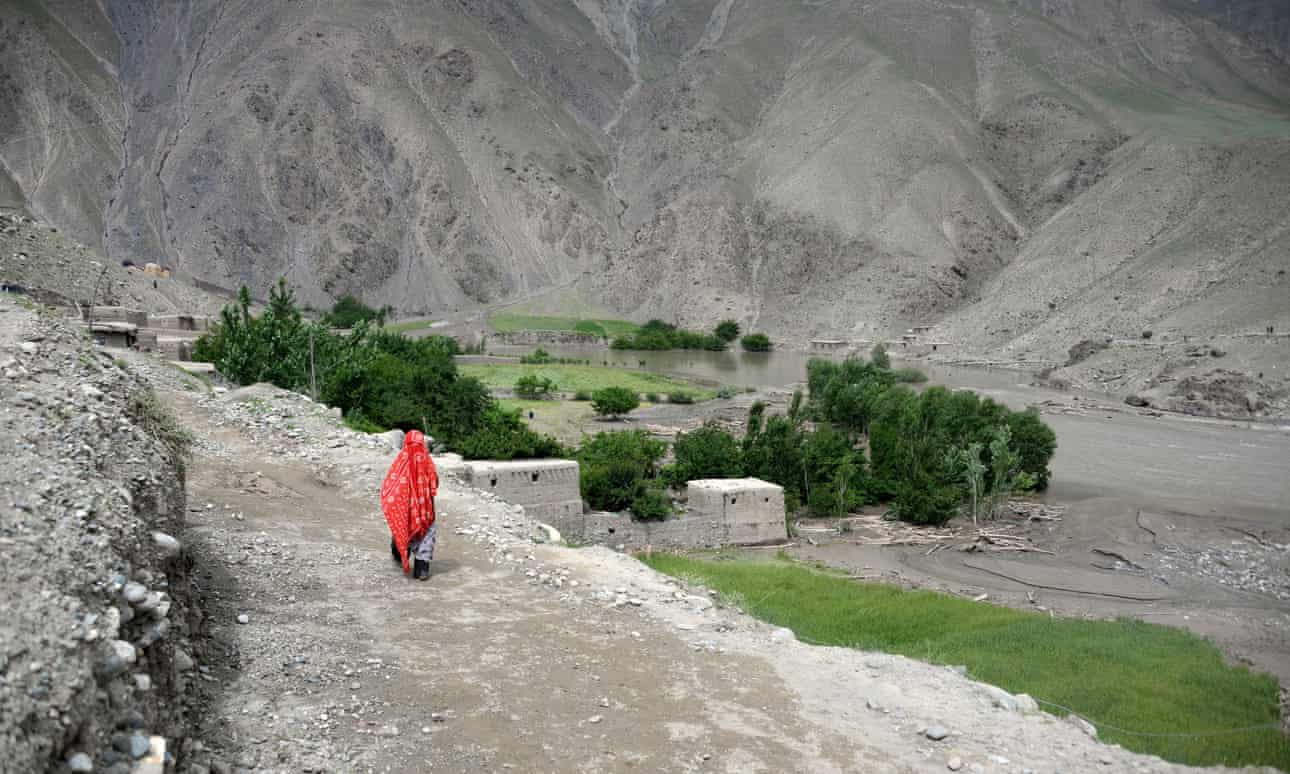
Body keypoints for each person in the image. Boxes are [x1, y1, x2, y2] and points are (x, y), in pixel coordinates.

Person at [380, 430, 439, 581]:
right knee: (426, 536)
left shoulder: (401, 461)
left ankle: (400, 553)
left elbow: (389, 484)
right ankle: (421, 569)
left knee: (402, 532)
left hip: (405, 510)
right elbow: (435, 482)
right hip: (425, 509)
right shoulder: (426, 460)